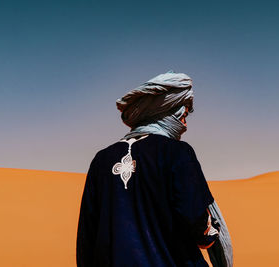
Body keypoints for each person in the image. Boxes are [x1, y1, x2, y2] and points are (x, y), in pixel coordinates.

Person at [76, 71, 233, 267]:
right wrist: (212, 230)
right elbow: (198, 224)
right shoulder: (176, 153)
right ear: (168, 113)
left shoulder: (101, 160)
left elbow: (87, 237)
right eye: (183, 116)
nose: (184, 125)